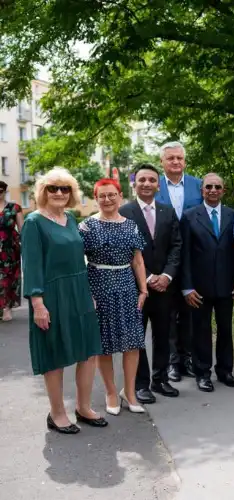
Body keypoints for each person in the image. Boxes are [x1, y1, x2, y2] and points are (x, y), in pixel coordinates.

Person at [21, 167, 106, 434]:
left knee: (89, 351)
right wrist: (37, 304)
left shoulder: (69, 218)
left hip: (79, 291)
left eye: (65, 188)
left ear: (71, 193)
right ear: (42, 192)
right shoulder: (34, 222)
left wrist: (89, 293)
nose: (59, 193)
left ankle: (83, 407)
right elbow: (31, 265)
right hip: (51, 296)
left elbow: (77, 259)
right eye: (53, 188)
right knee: (55, 355)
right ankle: (57, 413)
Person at [79, 179, 149, 415]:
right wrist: (87, 294)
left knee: (133, 343)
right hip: (99, 288)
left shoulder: (131, 226)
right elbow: (79, 264)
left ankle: (129, 393)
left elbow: (138, 260)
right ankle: (110, 392)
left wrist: (144, 290)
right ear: (96, 197)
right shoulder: (86, 227)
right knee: (104, 346)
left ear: (120, 196)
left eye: (112, 195)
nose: (107, 200)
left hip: (127, 288)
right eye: (102, 196)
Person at [120, 163, 182, 404]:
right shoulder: (124, 212)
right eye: (142, 180)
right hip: (136, 288)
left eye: (152, 180)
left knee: (164, 334)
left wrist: (166, 276)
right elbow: (124, 250)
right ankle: (141, 384)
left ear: (158, 184)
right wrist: (146, 278)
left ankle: (160, 379)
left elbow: (177, 246)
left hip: (165, 286)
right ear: (134, 183)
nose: (147, 184)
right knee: (138, 336)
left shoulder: (168, 211)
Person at [181, 173, 234, 392]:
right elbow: (185, 255)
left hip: (226, 285)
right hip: (198, 287)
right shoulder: (190, 216)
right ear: (202, 190)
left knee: (226, 329)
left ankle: (225, 371)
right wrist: (187, 286)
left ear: (223, 190)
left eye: (217, 187)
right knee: (201, 331)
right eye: (208, 186)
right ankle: (202, 373)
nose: (213, 190)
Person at [155, 141, 202, 382]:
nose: (175, 162)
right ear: (162, 162)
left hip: (193, 257)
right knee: (168, 312)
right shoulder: (153, 185)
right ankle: (173, 361)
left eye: (179, 158)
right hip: (164, 258)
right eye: (170, 158)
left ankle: (188, 358)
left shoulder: (198, 185)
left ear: (185, 161)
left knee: (190, 310)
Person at [0, 181, 23, 321]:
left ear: (4, 191)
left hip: (10, 249)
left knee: (8, 278)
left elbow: (22, 229)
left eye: (1, 190)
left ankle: (7, 308)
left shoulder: (14, 208)